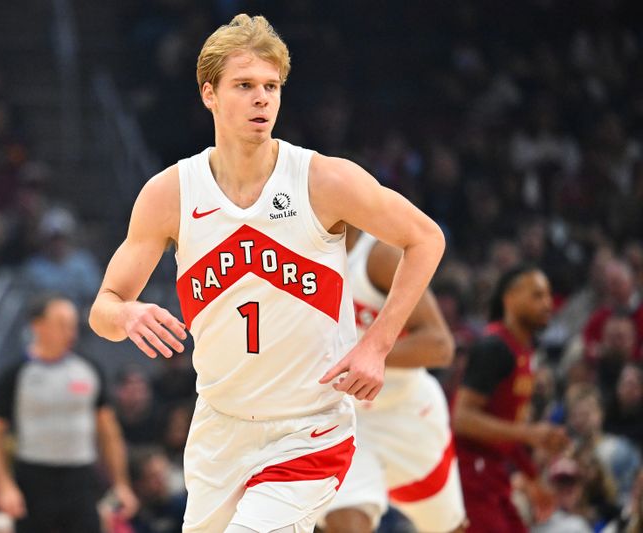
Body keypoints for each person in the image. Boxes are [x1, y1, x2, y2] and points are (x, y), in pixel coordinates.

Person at [89, 14, 445, 532]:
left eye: (271, 86)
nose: (262, 99)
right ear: (208, 93)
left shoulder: (323, 179)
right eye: (245, 86)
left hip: (309, 429)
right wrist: (124, 313)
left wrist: (377, 344)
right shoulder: (171, 193)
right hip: (218, 429)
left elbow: (425, 237)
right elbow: (102, 307)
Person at [321, 229, 466, 532]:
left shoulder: (376, 257)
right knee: (343, 522)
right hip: (345, 417)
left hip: (406, 412)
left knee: (448, 527)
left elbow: (440, 345)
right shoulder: (290, 256)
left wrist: (368, 356)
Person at [0, 294, 138, 533]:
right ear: (38, 325)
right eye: (62, 323)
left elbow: (109, 433)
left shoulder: (88, 369)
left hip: (81, 478)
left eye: (73, 324)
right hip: (33, 478)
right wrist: (4, 486)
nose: (70, 331)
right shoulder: (15, 374)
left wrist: (121, 484)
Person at [453, 264, 569, 533]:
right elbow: (461, 419)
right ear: (510, 298)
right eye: (537, 295)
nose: (547, 304)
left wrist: (533, 477)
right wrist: (530, 434)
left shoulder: (522, 352)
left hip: (492, 474)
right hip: (469, 473)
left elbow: (506, 427)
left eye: (548, 296)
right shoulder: (493, 347)